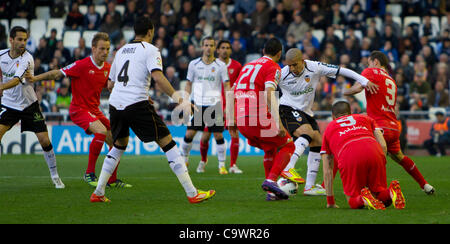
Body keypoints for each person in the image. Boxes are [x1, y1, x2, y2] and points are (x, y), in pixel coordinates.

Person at [90, 16, 215, 203]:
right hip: (136, 104)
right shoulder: (150, 49)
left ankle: (98, 192)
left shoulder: (121, 50)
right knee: (168, 143)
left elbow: (110, 84)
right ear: (150, 32)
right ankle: (192, 193)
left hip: (116, 104)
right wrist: (180, 100)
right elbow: (158, 77)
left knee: (119, 145)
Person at [27, 32, 130, 188]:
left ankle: (112, 180)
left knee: (115, 140)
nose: (105, 52)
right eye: (102, 49)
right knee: (101, 132)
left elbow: (112, 87)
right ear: (93, 48)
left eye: (107, 49)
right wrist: (35, 78)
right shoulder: (81, 65)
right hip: (78, 109)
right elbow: (57, 73)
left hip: (94, 110)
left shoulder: (109, 68)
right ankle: (89, 174)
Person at [278, 48, 378, 196]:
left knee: (318, 141)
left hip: (306, 111)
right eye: (289, 65)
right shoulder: (282, 74)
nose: (292, 68)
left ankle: (309, 187)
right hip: (286, 108)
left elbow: (343, 71)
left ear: (302, 61)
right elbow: (267, 89)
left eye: (295, 65)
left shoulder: (314, 67)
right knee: (307, 133)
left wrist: (364, 80)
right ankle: (288, 167)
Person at [344, 51, 435, 195]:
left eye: (369, 62)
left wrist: (345, 92)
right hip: (393, 126)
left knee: (362, 154)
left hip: (379, 127)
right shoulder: (392, 80)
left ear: (375, 62)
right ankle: (425, 184)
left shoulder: (371, 71)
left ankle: (376, 191)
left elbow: (358, 88)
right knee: (400, 157)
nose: (368, 65)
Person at [227, 37, 295, 201]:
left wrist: (231, 119)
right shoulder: (274, 66)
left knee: (269, 148)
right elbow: (269, 93)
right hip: (257, 116)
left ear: (264, 51)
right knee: (288, 145)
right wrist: (278, 123)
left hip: (241, 118)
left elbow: (231, 92)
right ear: (279, 54)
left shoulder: (247, 65)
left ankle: (271, 191)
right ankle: (271, 180)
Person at [0, 26, 64, 189]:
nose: (23, 43)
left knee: (44, 140)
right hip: (8, 104)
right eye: (20, 39)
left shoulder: (27, 58)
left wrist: (1, 87)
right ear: (11, 40)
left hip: (29, 105)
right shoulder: (1, 56)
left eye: (25, 40)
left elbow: (15, 80)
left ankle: (55, 176)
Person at [321, 100, 406, 210]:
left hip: (349, 155)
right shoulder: (365, 118)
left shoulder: (329, 128)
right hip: (374, 150)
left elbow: (327, 168)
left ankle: (363, 199)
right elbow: (383, 145)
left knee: (352, 201)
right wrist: (381, 159)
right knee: (380, 195)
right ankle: (391, 192)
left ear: (333, 116)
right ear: (350, 113)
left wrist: (330, 201)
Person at [179, 36, 231, 174]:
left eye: (211, 45)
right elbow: (188, 84)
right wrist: (186, 101)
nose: (208, 47)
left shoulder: (221, 66)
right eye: (206, 45)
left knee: (218, 135)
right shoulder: (193, 64)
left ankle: (222, 165)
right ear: (202, 47)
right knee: (189, 134)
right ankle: (184, 159)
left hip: (214, 104)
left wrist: (228, 105)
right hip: (198, 104)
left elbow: (226, 85)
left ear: (215, 48)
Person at [198, 40, 244, 174]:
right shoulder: (212, 65)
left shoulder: (237, 66)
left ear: (231, 50)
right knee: (206, 135)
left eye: (227, 48)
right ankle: (203, 160)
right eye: (222, 48)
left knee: (234, 133)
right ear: (217, 50)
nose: (225, 50)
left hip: (231, 105)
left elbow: (238, 86)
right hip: (213, 104)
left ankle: (233, 165)